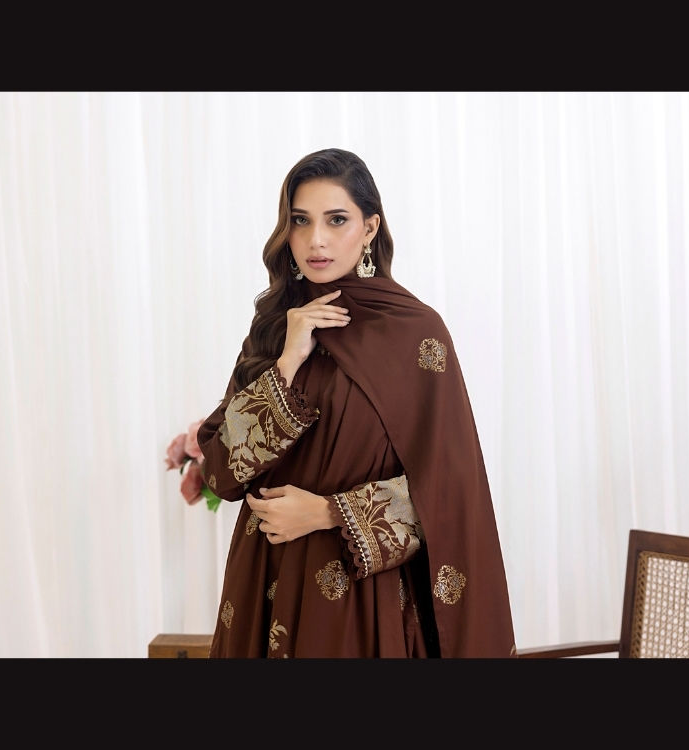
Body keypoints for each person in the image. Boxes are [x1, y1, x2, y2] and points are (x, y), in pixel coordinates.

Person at [196, 147, 516, 657]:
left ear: (370, 228)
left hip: (356, 596)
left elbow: (452, 490)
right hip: (263, 582)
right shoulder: (275, 329)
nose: (316, 240)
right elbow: (219, 472)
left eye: (337, 219)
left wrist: (328, 513)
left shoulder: (416, 334)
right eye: (301, 220)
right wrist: (287, 363)